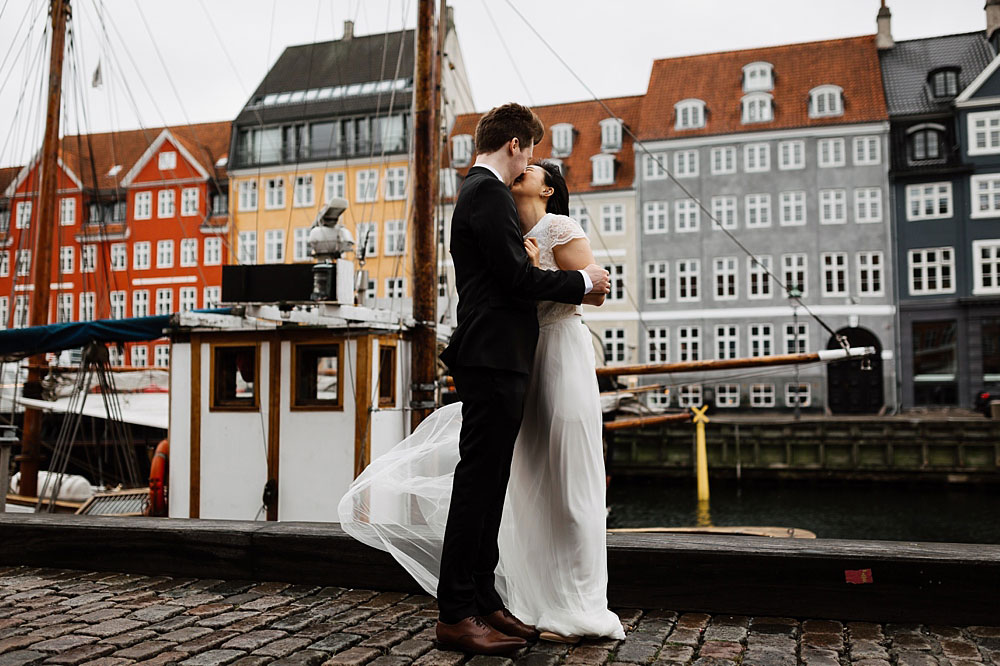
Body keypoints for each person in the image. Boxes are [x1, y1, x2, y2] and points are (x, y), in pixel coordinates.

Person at [338, 103, 614, 655]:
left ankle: (485, 601)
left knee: (489, 486)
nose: (531, 161)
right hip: (493, 358)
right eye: (530, 150)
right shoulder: (486, 192)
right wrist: (583, 278)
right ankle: (456, 613)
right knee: (477, 487)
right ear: (514, 144)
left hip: (500, 356)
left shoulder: (481, 194)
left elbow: (508, 272)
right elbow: (515, 279)